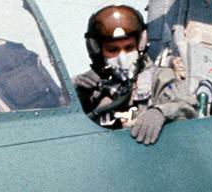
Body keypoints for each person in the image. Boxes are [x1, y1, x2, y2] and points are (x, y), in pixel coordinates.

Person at [74, 5, 197, 144]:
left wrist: (160, 112)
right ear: (98, 51)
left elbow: (188, 107)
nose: (122, 57)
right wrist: (78, 94)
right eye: (113, 49)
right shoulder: (90, 86)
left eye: (128, 47)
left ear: (140, 45)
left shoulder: (159, 78)